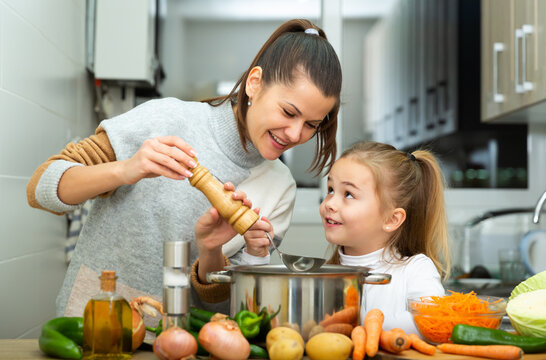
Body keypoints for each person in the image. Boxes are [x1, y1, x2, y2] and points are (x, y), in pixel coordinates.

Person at [26, 18, 342, 317]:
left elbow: (224, 308)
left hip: (177, 340)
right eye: (288, 112)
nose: (295, 134)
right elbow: (41, 189)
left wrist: (210, 249)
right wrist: (127, 169)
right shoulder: (167, 119)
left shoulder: (279, 188)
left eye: (311, 124)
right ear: (255, 84)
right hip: (94, 323)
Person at [320, 141, 450, 335]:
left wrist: (358, 325)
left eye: (348, 194)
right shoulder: (324, 272)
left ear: (391, 219)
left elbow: (431, 321)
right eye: (331, 189)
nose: (330, 203)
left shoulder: (416, 270)